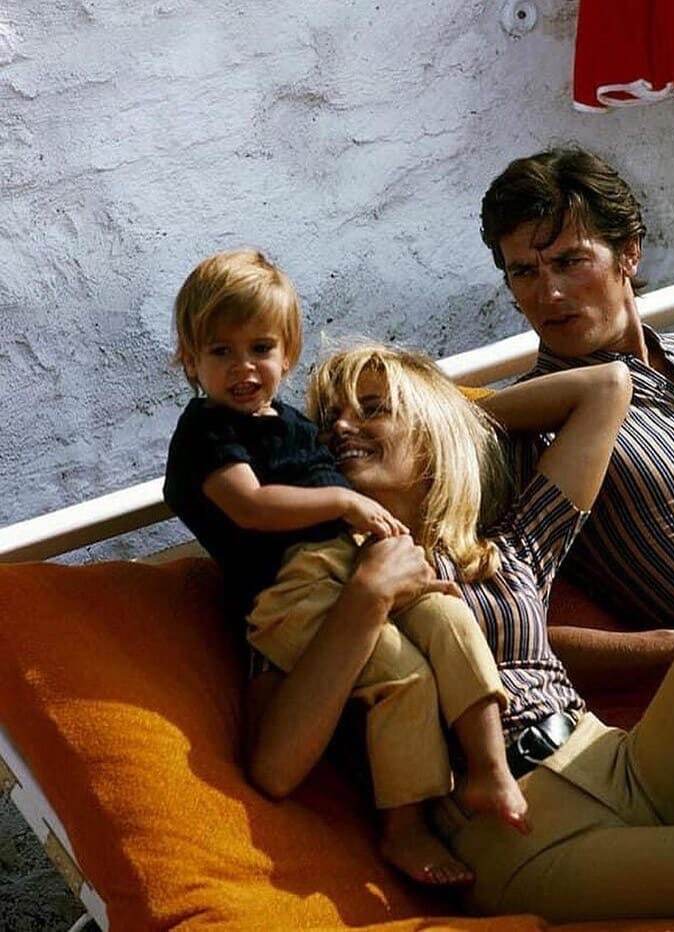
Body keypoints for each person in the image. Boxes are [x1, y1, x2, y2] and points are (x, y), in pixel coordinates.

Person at [245, 342, 674, 923]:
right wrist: (367, 598)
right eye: (328, 420)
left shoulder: (508, 548)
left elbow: (607, 387)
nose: (340, 426)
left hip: (624, 763)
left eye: (373, 409)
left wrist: (455, 420)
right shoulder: (311, 583)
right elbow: (273, 768)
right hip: (517, 839)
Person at [162, 249, 528, 887]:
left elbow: (575, 393)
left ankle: (488, 768)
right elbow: (248, 506)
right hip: (291, 590)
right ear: (189, 361)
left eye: (261, 348)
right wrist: (344, 500)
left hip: (355, 563)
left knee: (448, 614)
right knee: (404, 677)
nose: (243, 368)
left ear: (289, 352)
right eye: (220, 352)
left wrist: (448, 422)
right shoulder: (208, 429)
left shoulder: (296, 423)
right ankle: (404, 827)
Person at [479, 147, 674, 688]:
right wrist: (669, 649)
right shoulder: (529, 428)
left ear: (628, 253)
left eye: (569, 261)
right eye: (524, 272)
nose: (548, 293)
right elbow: (489, 617)